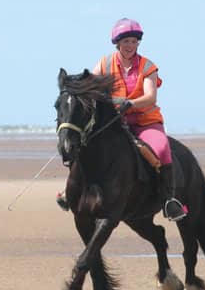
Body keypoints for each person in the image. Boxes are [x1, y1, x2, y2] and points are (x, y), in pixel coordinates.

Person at [59, 18, 187, 220]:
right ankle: (71, 191)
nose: (130, 46)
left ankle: (169, 200)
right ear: (117, 43)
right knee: (83, 143)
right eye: (126, 41)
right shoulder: (104, 63)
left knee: (162, 148)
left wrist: (131, 103)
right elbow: (91, 88)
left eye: (134, 41)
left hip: (145, 121)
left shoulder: (148, 67)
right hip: (115, 122)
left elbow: (150, 97)